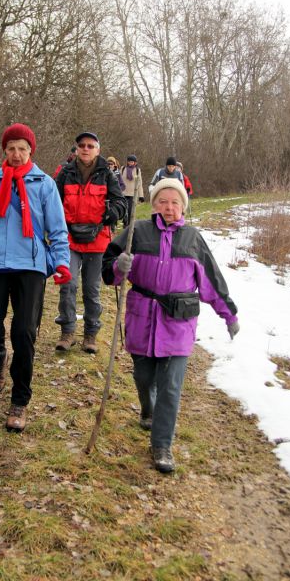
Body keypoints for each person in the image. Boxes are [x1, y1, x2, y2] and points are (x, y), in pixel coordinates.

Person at [102, 178, 239, 473]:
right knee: (143, 376)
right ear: (154, 204)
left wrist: (229, 314)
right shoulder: (137, 231)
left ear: (183, 207)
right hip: (142, 318)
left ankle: (162, 444)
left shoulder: (192, 239)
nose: (169, 207)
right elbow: (108, 265)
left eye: (175, 202)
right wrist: (118, 267)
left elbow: (212, 282)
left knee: (171, 387)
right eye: (163, 201)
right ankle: (147, 408)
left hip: (178, 322)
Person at [0, 123, 71, 433]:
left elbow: (58, 230)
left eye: (22, 148)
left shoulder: (44, 184)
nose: (17, 154)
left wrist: (61, 262)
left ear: (31, 151)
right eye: (11, 149)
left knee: (24, 333)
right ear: (4, 152)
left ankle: (19, 401)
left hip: (31, 266)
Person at [54, 131, 127, 354]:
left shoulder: (107, 174)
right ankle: (67, 332)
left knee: (91, 290)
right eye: (82, 145)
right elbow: (53, 202)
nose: (85, 149)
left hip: (98, 241)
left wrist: (111, 213)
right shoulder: (65, 173)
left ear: (98, 149)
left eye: (90, 145)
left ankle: (90, 335)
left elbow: (121, 204)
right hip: (69, 239)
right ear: (76, 149)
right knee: (68, 285)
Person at [119, 155, 145, 227]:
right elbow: (118, 180)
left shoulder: (137, 170)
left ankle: (129, 225)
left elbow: (139, 183)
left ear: (135, 163)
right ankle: (125, 223)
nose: (130, 163)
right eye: (129, 161)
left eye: (132, 162)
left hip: (132, 194)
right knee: (124, 209)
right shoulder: (123, 168)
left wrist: (141, 196)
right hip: (123, 193)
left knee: (130, 210)